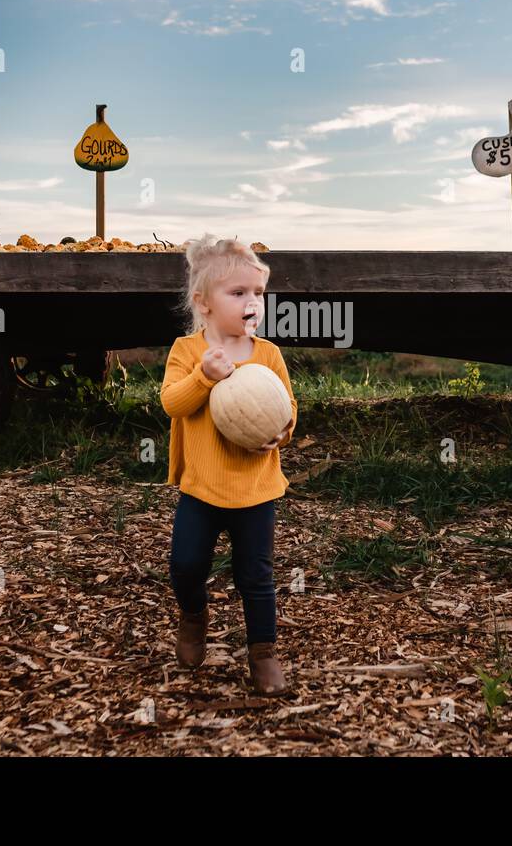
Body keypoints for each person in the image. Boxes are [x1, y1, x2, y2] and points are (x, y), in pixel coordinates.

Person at [159, 234, 297, 695]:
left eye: (257, 293)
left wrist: (283, 431)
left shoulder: (268, 355)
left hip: (255, 490)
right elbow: (172, 404)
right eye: (238, 293)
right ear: (203, 303)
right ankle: (194, 616)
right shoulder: (187, 353)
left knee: (255, 577)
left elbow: (287, 409)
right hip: (201, 489)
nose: (251, 302)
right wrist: (205, 376)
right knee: (186, 566)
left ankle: (263, 655)